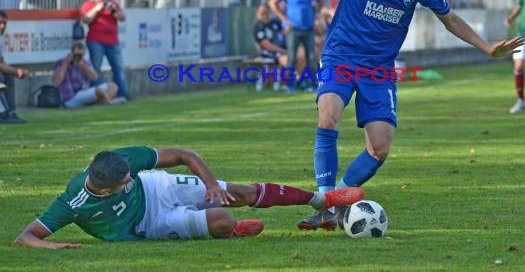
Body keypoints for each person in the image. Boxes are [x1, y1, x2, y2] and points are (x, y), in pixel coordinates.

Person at [262, 0, 525, 231]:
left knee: (380, 147)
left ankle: (336, 200)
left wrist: (486, 47)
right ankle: (325, 200)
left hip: (379, 70)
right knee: (328, 115)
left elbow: (450, 19)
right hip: (340, 57)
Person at [13, 146, 364, 248]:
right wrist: (51, 247)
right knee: (222, 219)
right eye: (124, 182)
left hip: (160, 188)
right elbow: (24, 237)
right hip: (149, 226)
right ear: (104, 189)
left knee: (236, 192)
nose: (128, 180)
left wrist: (211, 185)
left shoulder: (123, 163)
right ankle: (230, 230)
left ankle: (324, 201)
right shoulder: (72, 203)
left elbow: (184, 155)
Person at [268, 0, 322, 93]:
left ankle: (312, 84)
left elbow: (320, 2)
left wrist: (315, 13)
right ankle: (290, 85)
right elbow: (272, 2)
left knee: (311, 58)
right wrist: (284, 19)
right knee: (292, 57)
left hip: (309, 29)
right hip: (294, 30)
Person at [81, 0, 130, 100]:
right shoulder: (89, 4)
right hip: (96, 41)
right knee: (95, 69)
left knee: (118, 68)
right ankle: (95, 95)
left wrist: (114, 11)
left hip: (113, 42)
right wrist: (96, 9)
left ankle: (122, 93)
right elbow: (85, 19)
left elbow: (123, 18)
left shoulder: (112, 4)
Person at [53, 42, 123, 108]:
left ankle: (99, 102)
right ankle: (109, 103)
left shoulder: (85, 62)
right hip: (70, 98)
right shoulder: (61, 63)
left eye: (80, 55)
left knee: (113, 86)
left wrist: (82, 66)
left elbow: (94, 77)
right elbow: (57, 81)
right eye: (76, 55)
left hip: (84, 92)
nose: (77, 57)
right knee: (98, 91)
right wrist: (66, 63)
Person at [0, 10, 30, 124]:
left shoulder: (0, 38)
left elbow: (1, 61)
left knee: (7, 76)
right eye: (0, 23)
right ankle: (3, 114)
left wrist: (17, 71)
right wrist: (15, 71)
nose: (2, 26)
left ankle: (11, 113)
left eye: (4, 23)